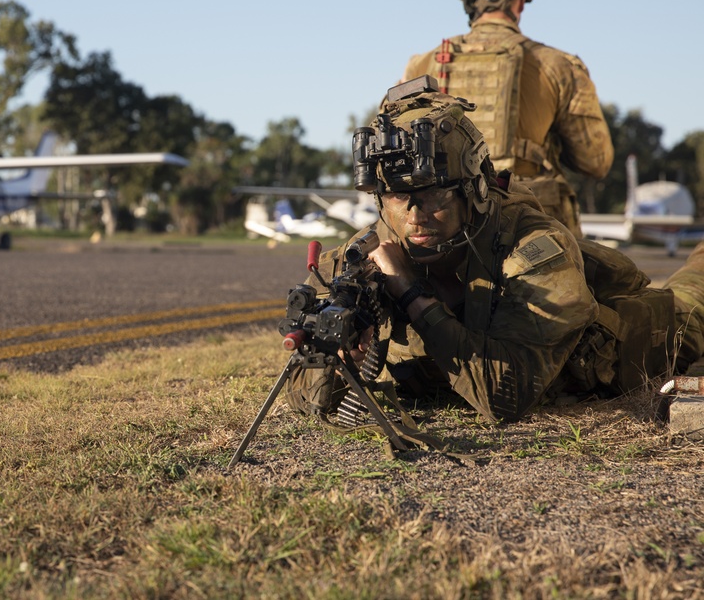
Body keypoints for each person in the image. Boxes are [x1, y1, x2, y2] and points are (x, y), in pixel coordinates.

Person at [286, 76, 702, 424]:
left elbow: (505, 397)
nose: (414, 215)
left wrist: (411, 293)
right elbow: (299, 394)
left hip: (645, 340)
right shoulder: (363, 258)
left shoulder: (535, 249)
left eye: (433, 196)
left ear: (475, 190)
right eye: (396, 197)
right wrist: (341, 357)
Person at [397, 0, 613, 237]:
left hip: (446, 241)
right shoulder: (559, 66)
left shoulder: (420, 65)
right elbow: (596, 161)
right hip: (533, 235)